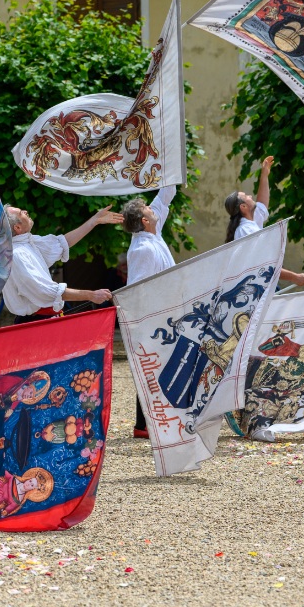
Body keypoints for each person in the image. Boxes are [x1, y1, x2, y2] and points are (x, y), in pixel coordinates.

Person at [120, 185, 178, 439]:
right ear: (145, 220)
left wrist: (171, 169)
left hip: (167, 312)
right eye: (147, 209)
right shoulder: (142, 249)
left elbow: (164, 198)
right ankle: (143, 424)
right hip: (154, 316)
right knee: (152, 368)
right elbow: (137, 288)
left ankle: (157, 419)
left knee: (164, 366)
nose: (153, 210)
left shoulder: (154, 234)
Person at [1, 205, 123, 323]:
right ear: (17, 228)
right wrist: (91, 295)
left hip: (45, 319)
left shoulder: (28, 243)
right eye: (21, 213)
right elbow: (46, 292)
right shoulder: (17, 254)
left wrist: (94, 221)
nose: (25, 211)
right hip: (36, 322)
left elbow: (62, 242)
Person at [223, 155, 304, 287]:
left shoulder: (249, 223)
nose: (250, 196)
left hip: (261, 285)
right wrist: (294, 277)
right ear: (243, 207)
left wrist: (264, 175)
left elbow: (262, 205)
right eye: (246, 196)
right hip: (258, 289)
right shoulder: (246, 230)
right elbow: (263, 265)